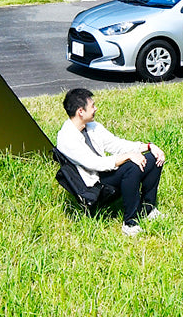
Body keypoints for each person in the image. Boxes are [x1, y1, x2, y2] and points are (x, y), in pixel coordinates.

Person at [57, 88, 166, 236]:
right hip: (94, 183)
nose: (96, 109)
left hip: (106, 171)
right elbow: (94, 163)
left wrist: (148, 147)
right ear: (81, 111)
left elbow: (116, 144)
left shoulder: (92, 126)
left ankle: (148, 208)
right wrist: (128, 156)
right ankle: (130, 222)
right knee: (132, 167)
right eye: (92, 106)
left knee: (153, 159)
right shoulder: (66, 138)